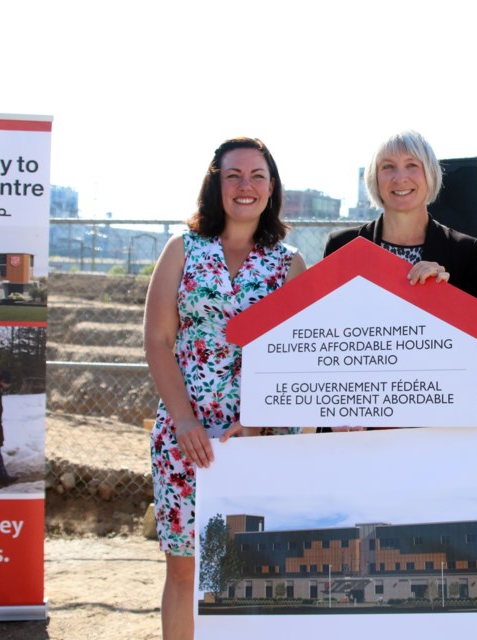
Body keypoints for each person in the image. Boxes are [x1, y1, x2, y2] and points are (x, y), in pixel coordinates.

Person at [144, 137, 306, 640]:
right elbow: (158, 340)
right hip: (186, 438)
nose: (245, 186)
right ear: (215, 182)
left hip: (262, 438)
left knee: (255, 574)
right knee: (185, 570)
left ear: (272, 187)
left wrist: (257, 422)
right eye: (233, 175)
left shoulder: (288, 263)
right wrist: (187, 420)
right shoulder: (182, 250)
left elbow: (297, 356)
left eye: (257, 176)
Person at [324, 130, 477, 298]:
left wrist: (444, 293)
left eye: (411, 165)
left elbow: (475, 323)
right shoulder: (341, 247)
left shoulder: (464, 252)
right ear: (375, 178)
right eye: (388, 167)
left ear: (430, 173)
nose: (400, 178)